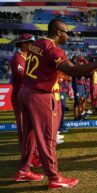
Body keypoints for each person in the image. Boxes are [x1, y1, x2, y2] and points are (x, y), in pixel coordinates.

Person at [15, 19, 97, 189]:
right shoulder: (53, 50)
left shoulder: (37, 44)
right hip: (40, 95)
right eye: (66, 32)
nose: (68, 35)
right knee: (47, 137)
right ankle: (54, 177)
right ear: (58, 32)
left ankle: (23, 170)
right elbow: (72, 71)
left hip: (26, 91)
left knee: (30, 135)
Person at [10, 33, 41, 167]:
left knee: (32, 128)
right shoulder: (18, 58)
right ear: (23, 44)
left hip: (29, 96)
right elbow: (23, 76)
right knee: (24, 129)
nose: (32, 45)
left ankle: (33, 155)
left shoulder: (29, 57)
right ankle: (27, 159)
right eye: (30, 42)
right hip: (20, 97)